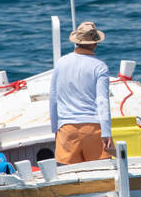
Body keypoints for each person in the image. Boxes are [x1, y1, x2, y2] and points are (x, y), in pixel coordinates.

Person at [48, 21, 113, 165]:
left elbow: (53, 97)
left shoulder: (61, 63)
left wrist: (55, 128)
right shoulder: (100, 67)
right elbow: (102, 101)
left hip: (67, 129)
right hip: (93, 129)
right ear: (95, 43)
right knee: (100, 176)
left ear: (76, 42)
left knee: (66, 177)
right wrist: (107, 132)